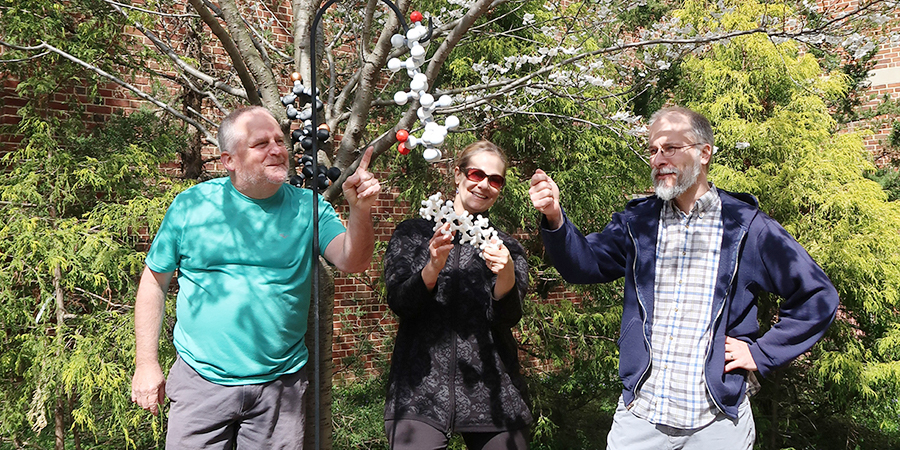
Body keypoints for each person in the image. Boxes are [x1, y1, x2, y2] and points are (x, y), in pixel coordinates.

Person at [529, 106, 839, 449]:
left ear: (704, 153)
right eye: (653, 150)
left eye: (671, 148)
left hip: (717, 420)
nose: (659, 158)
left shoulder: (746, 227)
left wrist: (763, 354)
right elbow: (583, 265)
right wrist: (555, 217)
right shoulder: (638, 223)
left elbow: (817, 296)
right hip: (642, 416)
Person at [130, 106, 380, 449]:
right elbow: (153, 282)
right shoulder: (192, 206)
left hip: (279, 390)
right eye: (261, 143)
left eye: (280, 140)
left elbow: (353, 260)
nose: (277, 149)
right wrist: (146, 364)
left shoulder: (309, 207)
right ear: (229, 160)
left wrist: (361, 210)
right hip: (201, 382)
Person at [383, 140, 532, 450]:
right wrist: (431, 268)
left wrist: (505, 272)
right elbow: (401, 303)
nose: (485, 185)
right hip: (419, 389)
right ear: (457, 175)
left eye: (495, 180)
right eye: (477, 174)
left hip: (494, 391)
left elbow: (507, 317)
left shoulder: (506, 248)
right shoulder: (413, 233)